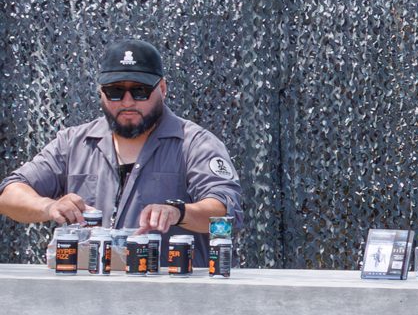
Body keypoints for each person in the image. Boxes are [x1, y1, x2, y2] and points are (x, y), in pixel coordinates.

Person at [0, 39, 242, 258]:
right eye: (115, 92)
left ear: (163, 89)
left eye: (140, 90)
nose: (128, 102)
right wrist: (49, 206)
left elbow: (227, 214)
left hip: (170, 299)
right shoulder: (72, 142)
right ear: (100, 93)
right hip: (88, 298)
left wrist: (179, 212)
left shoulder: (195, 143)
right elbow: (9, 194)